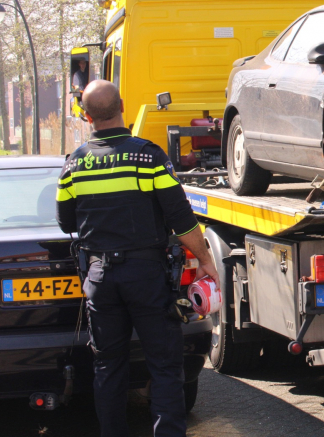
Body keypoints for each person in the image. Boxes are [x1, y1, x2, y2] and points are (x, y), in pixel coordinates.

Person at [56, 80, 219, 437]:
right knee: (163, 367)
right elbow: (180, 215)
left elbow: (66, 221)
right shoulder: (148, 156)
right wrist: (204, 258)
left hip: (100, 277)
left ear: (85, 116)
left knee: (108, 367)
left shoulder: (75, 164)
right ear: (123, 106)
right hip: (146, 275)